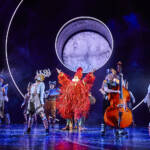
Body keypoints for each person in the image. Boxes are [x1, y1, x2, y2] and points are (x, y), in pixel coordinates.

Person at [26, 69, 51, 134]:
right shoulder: (32, 84)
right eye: (36, 75)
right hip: (31, 99)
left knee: (41, 113)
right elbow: (30, 93)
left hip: (37, 99)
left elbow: (42, 93)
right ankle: (28, 129)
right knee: (30, 115)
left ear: (40, 77)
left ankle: (47, 129)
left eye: (38, 75)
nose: (36, 76)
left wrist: (42, 102)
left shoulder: (42, 84)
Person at [99, 68, 120, 135]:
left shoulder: (116, 81)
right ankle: (103, 129)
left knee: (115, 114)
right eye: (110, 74)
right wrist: (115, 91)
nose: (111, 76)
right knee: (105, 114)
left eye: (113, 75)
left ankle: (116, 129)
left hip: (114, 100)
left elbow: (121, 85)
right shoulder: (105, 81)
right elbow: (105, 89)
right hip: (107, 99)